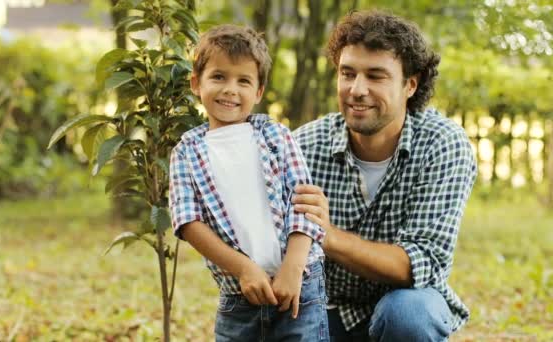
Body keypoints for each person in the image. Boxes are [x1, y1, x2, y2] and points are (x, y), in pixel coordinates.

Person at [292, 10, 477, 341]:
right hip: (324, 311)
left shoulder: (442, 144)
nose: (357, 90)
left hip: (405, 307)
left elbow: (420, 263)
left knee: (408, 314)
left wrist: (327, 235)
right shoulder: (304, 145)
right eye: (348, 74)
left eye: (376, 76)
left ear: (410, 84)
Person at [168, 25, 329, 341]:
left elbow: (303, 205)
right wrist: (243, 269)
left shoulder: (276, 136)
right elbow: (188, 221)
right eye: (219, 77)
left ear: (258, 92)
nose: (230, 89)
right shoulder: (186, 151)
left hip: (300, 285)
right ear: (195, 83)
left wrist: (293, 268)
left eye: (243, 81)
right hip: (237, 293)